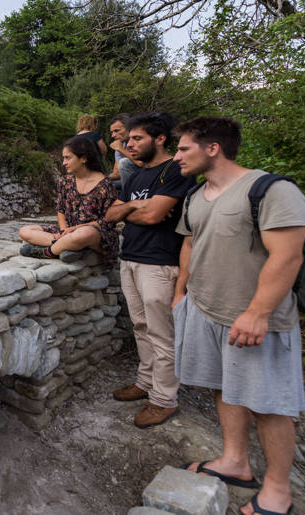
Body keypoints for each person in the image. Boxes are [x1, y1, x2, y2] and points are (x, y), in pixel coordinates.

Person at [172, 117, 305, 515]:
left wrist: (258, 312)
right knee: (224, 386)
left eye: (183, 149)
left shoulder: (272, 190)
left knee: (269, 403)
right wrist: (182, 293)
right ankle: (235, 462)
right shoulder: (196, 196)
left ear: (212, 148)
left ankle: (278, 493)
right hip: (205, 309)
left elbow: (288, 255)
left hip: (254, 319)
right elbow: (191, 245)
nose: (177, 156)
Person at [104, 112, 196, 428]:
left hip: (160, 262)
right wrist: (133, 207)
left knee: (161, 334)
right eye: (128, 139)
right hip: (130, 258)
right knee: (140, 327)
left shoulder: (176, 171)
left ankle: (163, 400)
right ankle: (145, 383)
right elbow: (111, 214)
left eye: (137, 138)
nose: (130, 143)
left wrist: (133, 210)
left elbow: (156, 215)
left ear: (159, 139)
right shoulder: (139, 175)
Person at [18, 136, 119, 267]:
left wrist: (73, 229)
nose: (64, 162)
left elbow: (107, 222)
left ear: (83, 158)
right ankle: (69, 247)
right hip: (68, 231)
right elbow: (60, 210)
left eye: (68, 158)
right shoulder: (65, 181)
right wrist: (63, 230)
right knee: (25, 231)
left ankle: (48, 252)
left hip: (94, 233)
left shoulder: (105, 185)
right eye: (63, 158)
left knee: (83, 234)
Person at [107, 113, 141, 191]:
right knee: (102, 184)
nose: (113, 135)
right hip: (129, 178)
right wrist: (98, 179)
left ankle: (129, 197)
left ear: (129, 128)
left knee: (124, 162)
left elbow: (141, 163)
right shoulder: (121, 144)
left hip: (146, 177)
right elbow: (116, 174)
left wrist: (121, 149)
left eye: (116, 131)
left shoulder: (139, 140)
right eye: (112, 132)